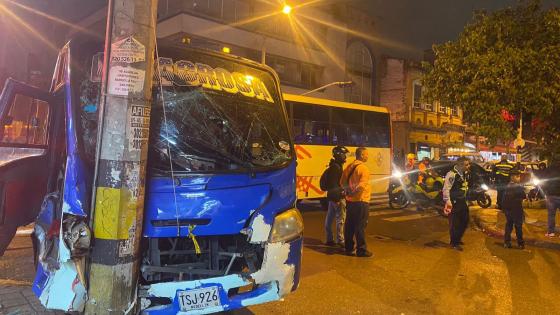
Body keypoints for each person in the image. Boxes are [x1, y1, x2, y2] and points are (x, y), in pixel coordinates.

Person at [341, 147, 373, 257]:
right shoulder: (363, 168)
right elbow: (361, 186)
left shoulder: (349, 166)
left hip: (350, 202)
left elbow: (342, 182)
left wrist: (348, 193)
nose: (368, 156)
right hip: (361, 201)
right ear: (362, 155)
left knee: (349, 225)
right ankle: (361, 250)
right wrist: (353, 193)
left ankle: (349, 248)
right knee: (360, 226)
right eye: (366, 154)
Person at [443, 157, 470, 251]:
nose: (468, 166)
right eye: (466, 164)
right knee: (455, 223)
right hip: (454, 202)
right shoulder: (451, 174)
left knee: (465, 221)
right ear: (460, 165)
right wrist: (448, 201)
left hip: (462, 201)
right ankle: (454, 243)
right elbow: (446, 189)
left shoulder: (464, 174)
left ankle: (457, 239)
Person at [324, 145, 349, 247]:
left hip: (332, 197)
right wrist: (337, 198)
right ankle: (340, 240)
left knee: (329, 219)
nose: (345, 157)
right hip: (337, 198)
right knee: (340, 220)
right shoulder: (336, 168)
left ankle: (329, 239)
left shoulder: (334, 166)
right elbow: (334, 184)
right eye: (344, 154)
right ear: (339, 155)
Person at [502, 170, 526, 249]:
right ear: (512, 177)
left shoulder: (507, 186)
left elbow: (504, 199)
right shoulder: (517, 186)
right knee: (518, 226)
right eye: (517, 176)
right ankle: (520, 243)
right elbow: (523, 196)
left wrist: (504, 209)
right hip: (516, 209)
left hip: (508, 209)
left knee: (509, 225)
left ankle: (507, 242)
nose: (519, 178)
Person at [540, 157, 560, 237]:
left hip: (551, 195)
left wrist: (545, 192)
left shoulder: (548, 170)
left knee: (551, 215)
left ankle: (551, 232)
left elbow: (543, 182)